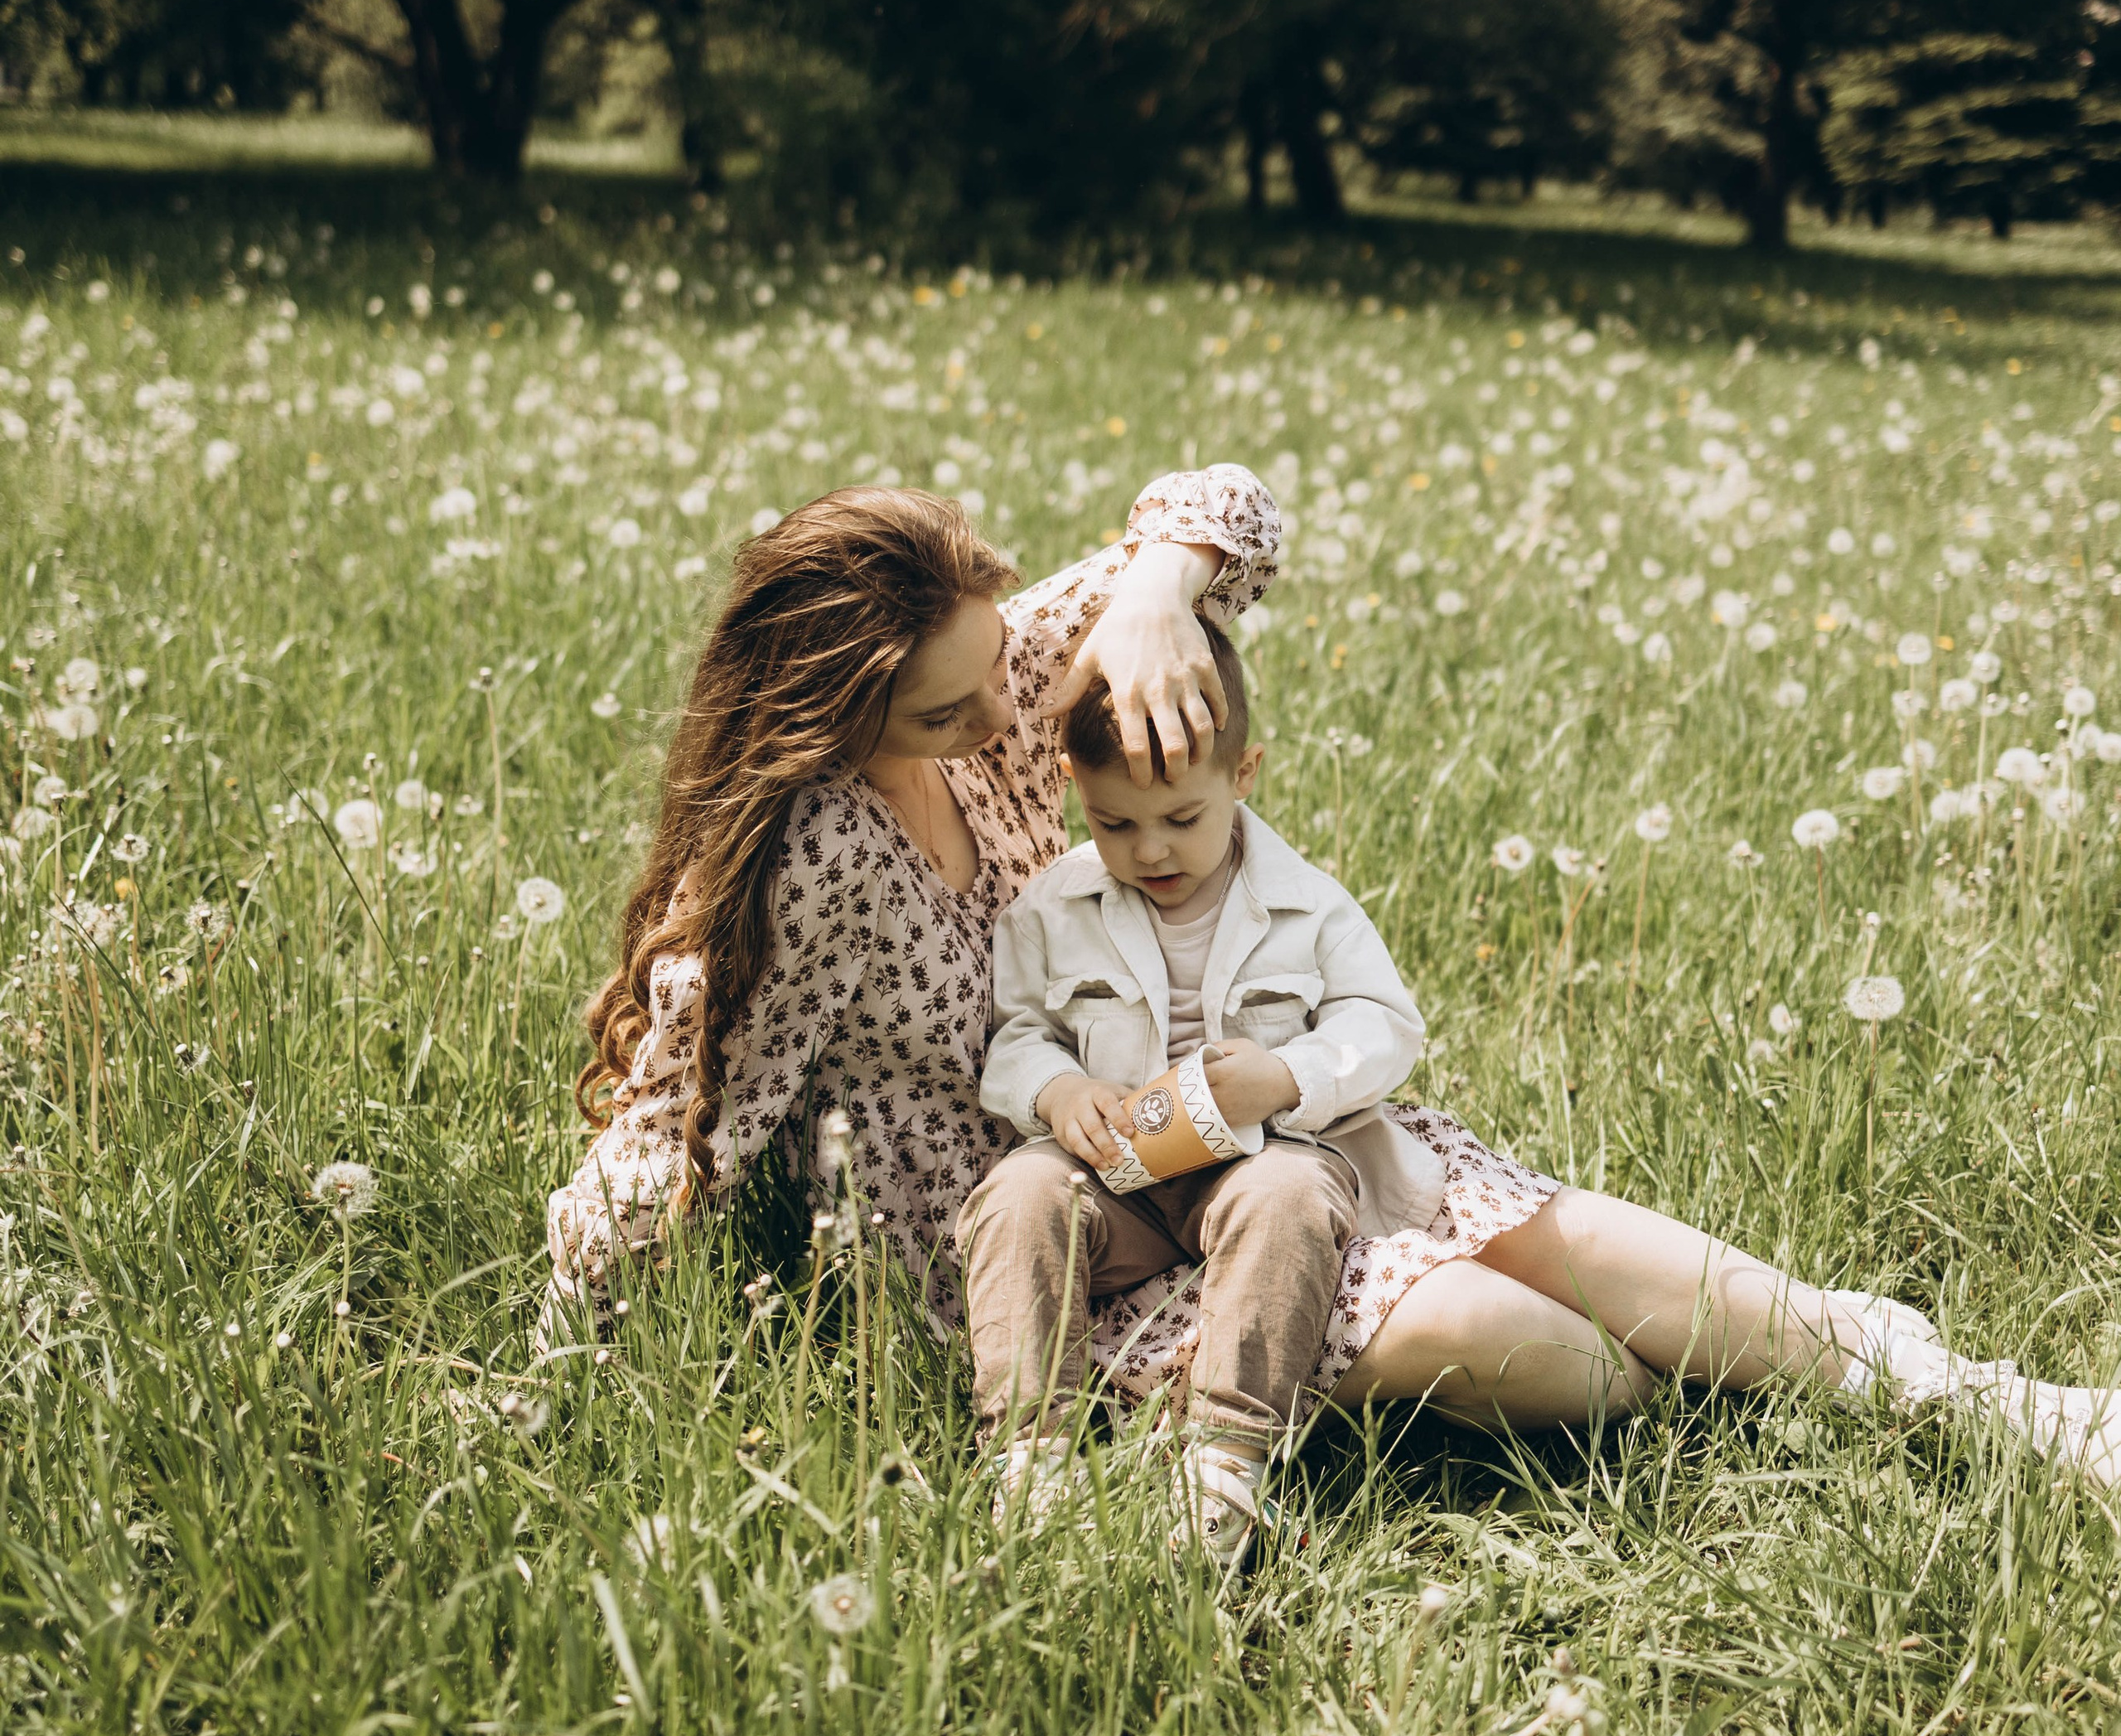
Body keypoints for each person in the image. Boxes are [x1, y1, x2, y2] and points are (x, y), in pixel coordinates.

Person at [545, 464, 2121, 1496]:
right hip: (1061, 1252)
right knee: (1561, 1354)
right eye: (942, 713)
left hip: (1242, 1129)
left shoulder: (1002, 666)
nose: (996, 711)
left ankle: (1972, 1396)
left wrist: (1160, 586)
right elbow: (678, 1122)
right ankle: (1710, 1388)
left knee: (1560, 1236)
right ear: (832, 709)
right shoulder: (805, 856)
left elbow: (1237, 502)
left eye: (988, 675)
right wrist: (558, 1356)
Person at [965, 621, 1435, 1564]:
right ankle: (1030, 1454)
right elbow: (1013, 1031)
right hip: (1116, 1175)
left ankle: (1226, 1460)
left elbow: (1387, 1025)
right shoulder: (1052, 908)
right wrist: (1057, 1092)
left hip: (1255, 1158)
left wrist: (1289, 1074)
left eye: (1181, 817)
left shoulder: (1306, 902)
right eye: (1114, 824)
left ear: (1244, 773)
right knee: (1019, 1196)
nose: (1149, 851)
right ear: (1074, 793)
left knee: (1290, 1197)